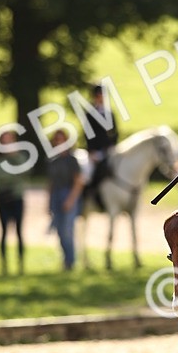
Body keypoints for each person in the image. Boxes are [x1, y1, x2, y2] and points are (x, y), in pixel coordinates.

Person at [0, 129, 33, 274]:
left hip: (17, 197)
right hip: (2, 197)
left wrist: (15, 156)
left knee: (19, 231)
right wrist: (14, 174)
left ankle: (21, 264)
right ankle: (4, 264)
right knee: (4, 231)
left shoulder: (20, 156)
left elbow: (26, 171)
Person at [47, 128, 84, 269]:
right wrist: (49, 201)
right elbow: (50, 183)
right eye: (57, 140)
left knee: (68, 230)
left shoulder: (71, 160)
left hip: (68, 194)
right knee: (60, 231)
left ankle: (71, 261)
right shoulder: (52, 160)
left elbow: (78, 182)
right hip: (56, 194)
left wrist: (70, 200)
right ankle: (66, 259)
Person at [82, 82, 119, 208]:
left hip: (108, 150)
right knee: (89, 172)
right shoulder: (89, 114)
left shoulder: (110, 113)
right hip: (95, 151)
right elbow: (87, 134)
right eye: (98, 95)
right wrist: (91, 151)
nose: (100, 97)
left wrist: (113, 145)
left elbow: (115, 132)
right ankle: (88, 196)